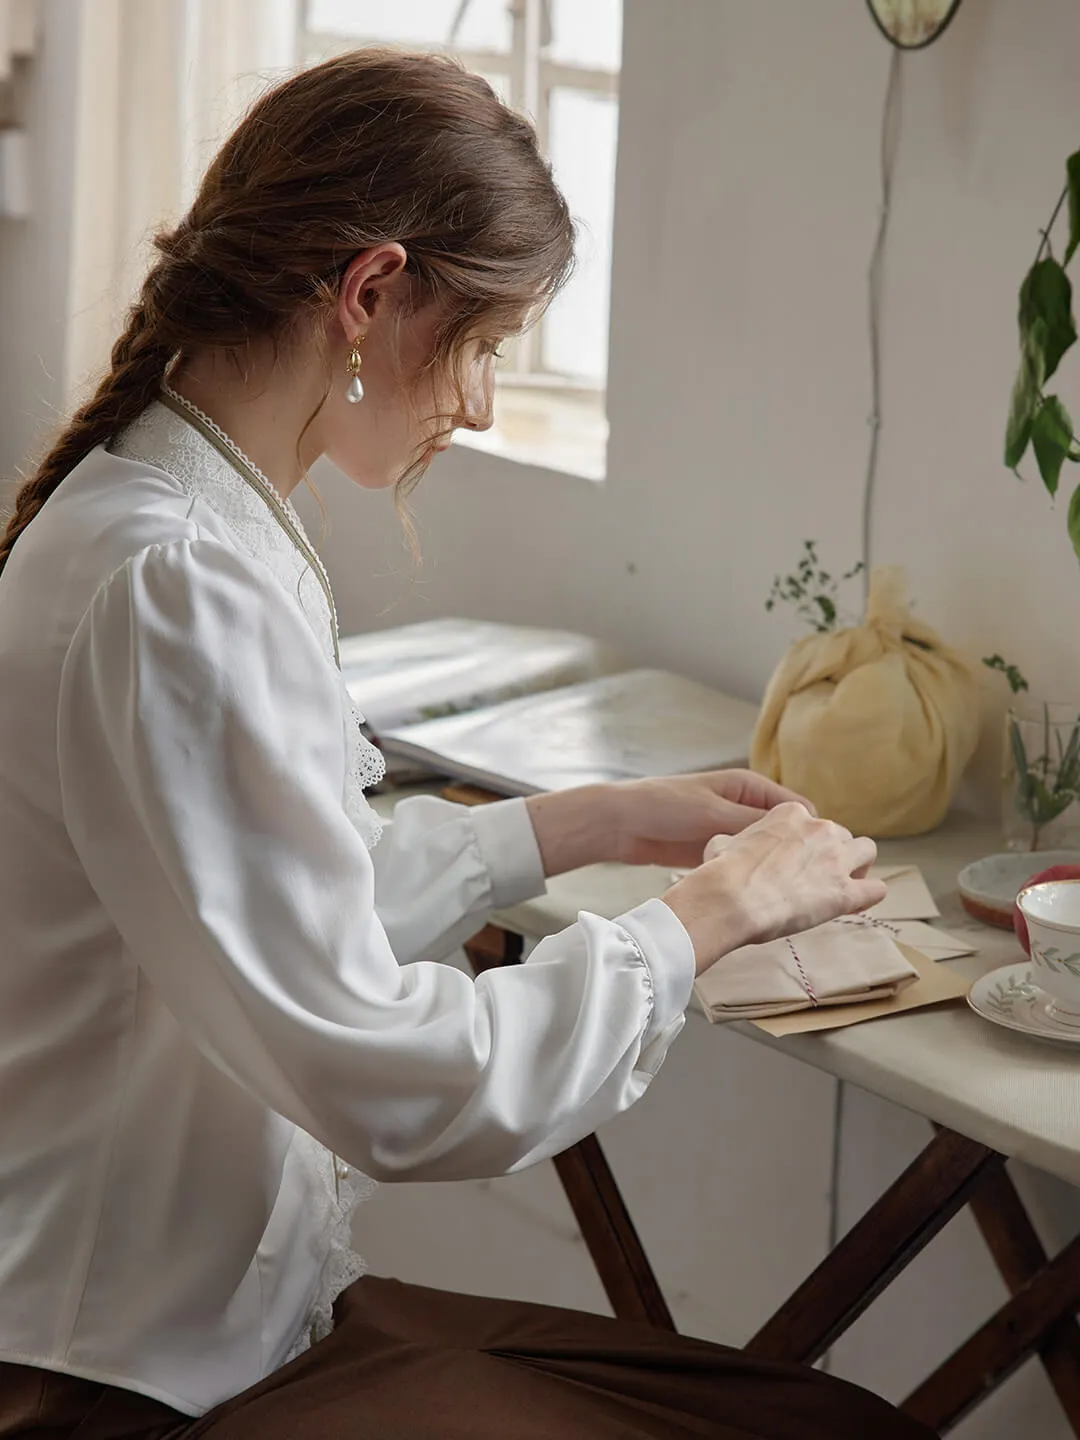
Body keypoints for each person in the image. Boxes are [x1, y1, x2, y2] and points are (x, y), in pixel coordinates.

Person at [0, 49, 934, 1440]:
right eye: (485, 346)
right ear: (370, 294)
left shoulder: (173, 512)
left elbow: (266, 912)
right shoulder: (176, 579)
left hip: (197, 1326)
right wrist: (698, 924)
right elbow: (388, 1080)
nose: (483, 403)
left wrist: (584, 824)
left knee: (814, 1416)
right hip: (120, 1374)